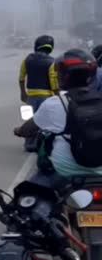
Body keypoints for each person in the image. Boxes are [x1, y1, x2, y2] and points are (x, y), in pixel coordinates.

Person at [14, 49, 102, 186]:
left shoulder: (55, 103)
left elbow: (28, 129)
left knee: (27, 197)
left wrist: (18, 130)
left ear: (63, 76)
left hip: (65, 174)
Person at [18, 35, 58, 151]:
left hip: (31, 96)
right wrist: (57, 96)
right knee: (44, 121)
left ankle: (29, 144)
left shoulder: (27, 60)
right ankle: (42, 144)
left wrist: (23, 93)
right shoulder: (51, 62)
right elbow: (53, 81)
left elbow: (21, 77)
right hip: (46, 97)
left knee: (30, 119)